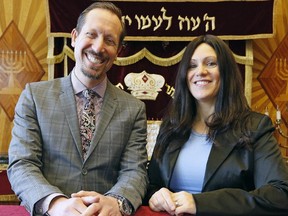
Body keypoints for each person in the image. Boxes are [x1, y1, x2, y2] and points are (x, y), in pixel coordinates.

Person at [8, 2, 148, 216]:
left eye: (109, 40)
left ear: (118, 51)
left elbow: (134, 171)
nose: (99, 47)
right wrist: (56, 204)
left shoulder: (134, 109)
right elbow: (22, 163)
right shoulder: (34, 97)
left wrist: (115, 202)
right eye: (91, 34)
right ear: (74, 37)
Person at [145, 34, 288, 216]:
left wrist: (200, 203)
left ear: (226, 72)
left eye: (211, 63)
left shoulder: (255, 127)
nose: (200, 71)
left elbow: (279, 195)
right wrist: (155, 195)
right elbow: (152, 185)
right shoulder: (171, 127)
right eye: (192, 65)